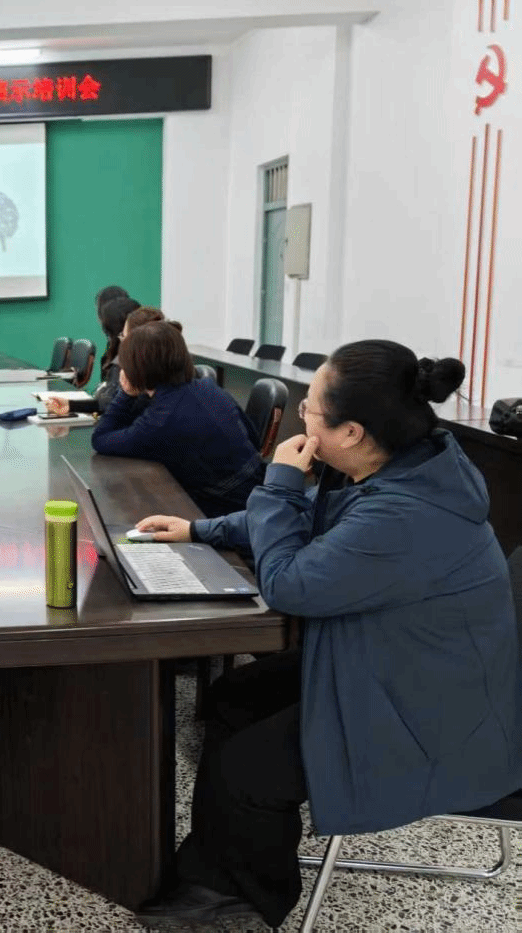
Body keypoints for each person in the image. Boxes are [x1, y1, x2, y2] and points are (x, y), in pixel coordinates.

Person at [132, 340, 522, 930]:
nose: (302, 418)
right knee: (234, 696)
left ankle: (242, 905)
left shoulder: (404, 514)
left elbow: (289, 584)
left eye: (310, 409)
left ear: (352, 432)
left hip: (436, 713)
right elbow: (320, 518)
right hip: (401, 663)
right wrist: (199, 530)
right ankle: (221, 871)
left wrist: (279, 482)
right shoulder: (411, 464)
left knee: (247, 769)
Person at [91, 321, 263, 517]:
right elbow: (254, 439)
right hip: (257, 494)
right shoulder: (207, 387)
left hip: (222, 513)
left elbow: (101, 438)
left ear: (135, 368)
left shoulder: (160, 421)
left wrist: (126, 393)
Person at [47, 306, 180, 418]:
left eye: (123, 336)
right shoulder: (173, 368)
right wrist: (70, 405)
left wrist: (72, 405)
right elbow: (109, 402)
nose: (121, 342)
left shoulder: (137, 379)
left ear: (135, 341)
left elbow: (109, 409)